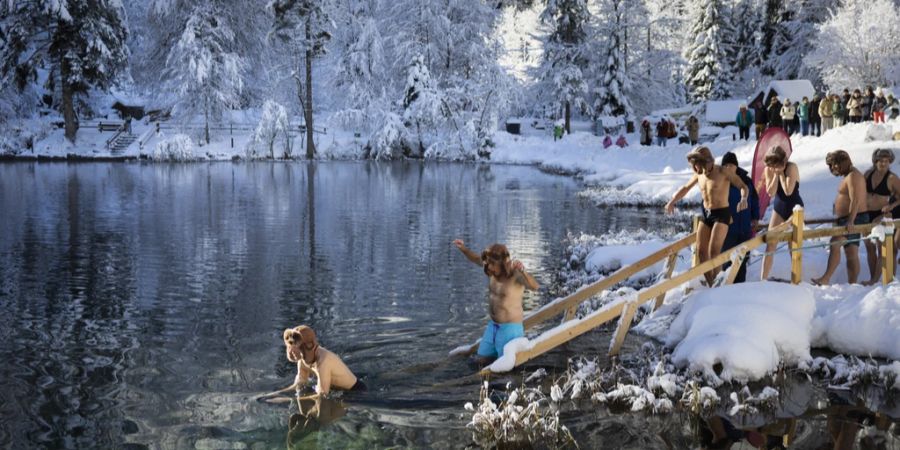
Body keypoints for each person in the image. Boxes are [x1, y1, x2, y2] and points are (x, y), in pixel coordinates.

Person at [665, 146, 749, 286]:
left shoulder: (723, 171)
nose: (696, 169)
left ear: (708, 162)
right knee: (701, 252)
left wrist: (744, 199)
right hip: (708, 214)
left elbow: (743, 186)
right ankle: (712, 285)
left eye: (698, 165)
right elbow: (685, 188)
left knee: (714, 250)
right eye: (694, 166)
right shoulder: (699, 174)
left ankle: (719, 284)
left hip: (722, 214)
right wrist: (672, 201)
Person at [452, 240, 539, 365]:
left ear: (502, 263)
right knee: (480, 361)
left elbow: (535, 286)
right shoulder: (490, 269)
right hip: (493, 327)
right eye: (488, 263)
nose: (489, 267)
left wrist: (524, 271)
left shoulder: (515, 275)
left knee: (504, 367)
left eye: (493, 264)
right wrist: (463, 249)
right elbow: (476, 258)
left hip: (510, 329)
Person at [259, 325, 365, 401]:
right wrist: (275, 394)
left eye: (297, 347)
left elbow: (322, 395)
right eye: (291, 346)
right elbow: (299, 383)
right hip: (335, 390)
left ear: (307, 346)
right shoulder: (302, 359)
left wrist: (286, 400)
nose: (293, 351)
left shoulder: (324, 361)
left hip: (355, 393)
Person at [812, 151, 870, 285]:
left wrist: (850, 220)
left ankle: (826, 278)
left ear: (842, 163)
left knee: (835, 243)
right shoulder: (849, 175)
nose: (832, 169)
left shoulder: (853, 176)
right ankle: (852, 283)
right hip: (848, 218)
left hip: (854, 218)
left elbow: (856, 200)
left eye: (834, 165)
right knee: (851, 253)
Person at [758, 146, 804, 281]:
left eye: (774, 164)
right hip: (779, 207)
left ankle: (797, 279)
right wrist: (775, 175)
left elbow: (788, 191)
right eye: (770, 165)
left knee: (793, 244)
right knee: (771, 243)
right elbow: (770, 193)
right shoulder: (769, 169)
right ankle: (763, 279)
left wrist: (781, 174)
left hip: (794, 207)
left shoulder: (792, 167)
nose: (772, 167)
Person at [720, 152, 760, 283]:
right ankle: (726, 287)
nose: (728, 168)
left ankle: (740, 289)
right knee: (727, 260)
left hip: (744, 228)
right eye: (725, 165)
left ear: (736, 166)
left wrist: (755, 217)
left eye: (731, 165)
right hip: (727, 229)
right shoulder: (720, 181)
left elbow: (754, 199)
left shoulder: (746, 181)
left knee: (742, 260)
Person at [862, 149, 899, 284]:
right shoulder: (868, 174)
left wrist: (891, 206)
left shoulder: (891, 178)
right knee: (869, 247)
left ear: (890, 162)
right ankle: (873, 278)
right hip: (867, 213)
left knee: (881, 247)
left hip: (882, 214)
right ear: (875, 161)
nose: (883, 164)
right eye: (881, 161)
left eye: (886, 161)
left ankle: (876, 280)